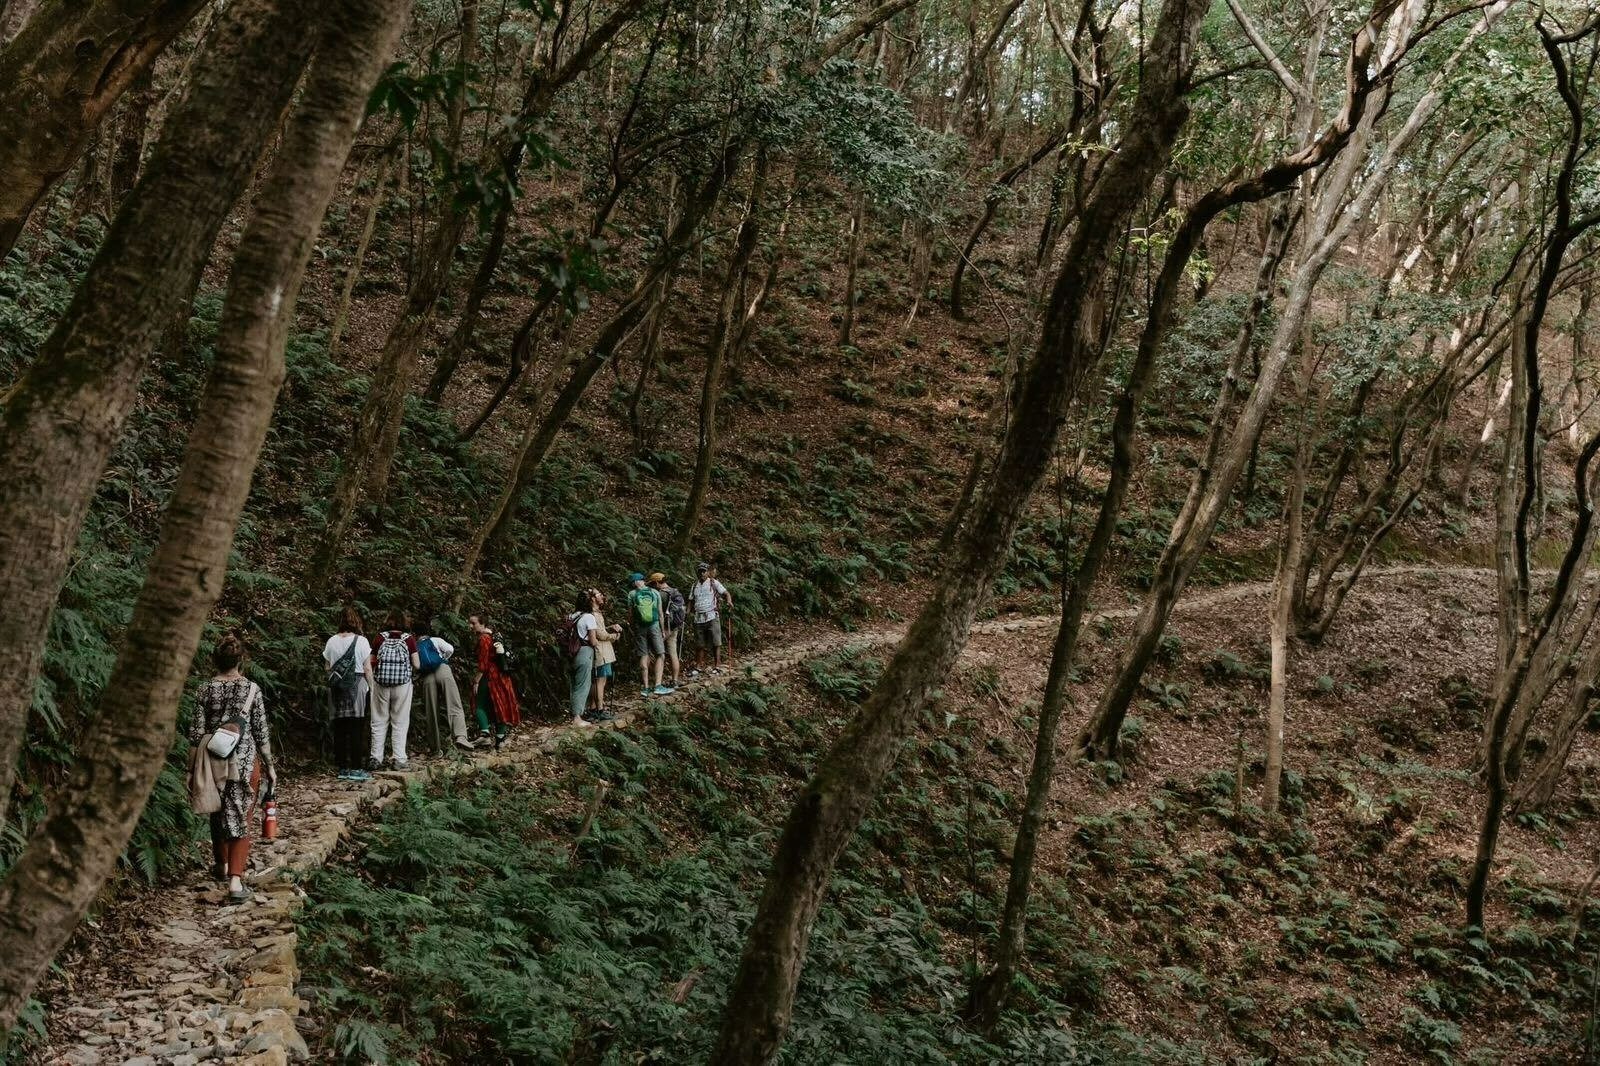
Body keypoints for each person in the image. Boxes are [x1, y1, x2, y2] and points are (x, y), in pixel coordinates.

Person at [188, 633, 275, 903]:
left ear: (215, 660)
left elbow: (195, 733)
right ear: (241, 661)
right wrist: (270, 765)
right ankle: (236, 883)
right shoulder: (252, 689)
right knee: (241, 816)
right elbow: (261, 732)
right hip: (244, 760)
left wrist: (191, 770)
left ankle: (222, 865)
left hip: (212, 759)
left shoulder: (204, 690)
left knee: (217, 810)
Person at [414, 618, 487, 753]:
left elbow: (414, 664)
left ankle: (435, 749)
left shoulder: (414, 645)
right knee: (454, 702)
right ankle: (460, 736)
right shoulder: (435, 640)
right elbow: (450, 649)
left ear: (415, 634)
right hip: (442, 669)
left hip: (427, 676)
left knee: (431, 710)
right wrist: (443, 659)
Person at [322, 606, 373, 782]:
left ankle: (343, 768)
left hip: (336, 687)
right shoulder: (362, 641)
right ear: (356, 622)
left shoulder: (331, 641)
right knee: (356, 727)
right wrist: (371, 687)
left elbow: (327, 668)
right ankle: (357, 768)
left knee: (340, 728)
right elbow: (367, 667)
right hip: (357, 685)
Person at [370, 613, 419, 771]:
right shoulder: (409, 639)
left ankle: (376, 758)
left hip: (381, 684)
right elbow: (417, 664)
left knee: (378, 721)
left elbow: (371, 661)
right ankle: (399, 759)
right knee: (400, 722)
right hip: (402, 685)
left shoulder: (380, 638)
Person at [469, 613, 521, 746]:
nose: (470, 626)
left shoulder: (484, 639)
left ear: (482, 623)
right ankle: (500, 738)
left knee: (478, 704)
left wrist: (476, 680)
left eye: (473, 623)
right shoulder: (494, 636)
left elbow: (483, 664)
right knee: (500, 705)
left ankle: (485, 733)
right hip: (502, 677)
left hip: (491, 676)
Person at [628, 571, 672, 696]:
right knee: (660, 654)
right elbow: (660, 613)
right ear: (643, 580)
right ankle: (658, 685)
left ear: (633, 583)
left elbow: (630, 615)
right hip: (654, 625)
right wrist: (663, 630)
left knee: (643, 655)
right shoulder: (655, 592)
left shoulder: (631, 594)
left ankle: (645, 688)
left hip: (639, 627)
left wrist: (632, 627)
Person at [689, 561, 733, 675]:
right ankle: (698, 666)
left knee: (715, 642)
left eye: (704, 571)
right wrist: (687, 612)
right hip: (698, 617)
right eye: (700, 571)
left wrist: (729, 601)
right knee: (699, 643)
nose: (702, 573)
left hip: (712, 615)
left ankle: (717, 665)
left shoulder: (714, 583)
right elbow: (690, 600)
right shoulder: (694, 585)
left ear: (708, 572)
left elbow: (726, 593)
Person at [586, 588, 623, 721]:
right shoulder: (594, 614)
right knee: (600, 681)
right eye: (599, 595)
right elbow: (600, 635)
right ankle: (599, 709)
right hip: (601, 651)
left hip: (601, 651)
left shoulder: (593, 614)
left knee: (598, 681)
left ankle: (593, 708)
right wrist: (615, 636)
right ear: (592, 599)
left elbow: (599, 630)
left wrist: (609, 628)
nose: (602, 597)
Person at [563, 592, 598, 729]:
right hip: (584, 651)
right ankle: (577, 717)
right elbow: (593, 640)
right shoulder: (589, 617)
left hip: (570, 653)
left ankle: (574, 714)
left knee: (573, 684)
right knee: (582, 684)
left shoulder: (571, 616)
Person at [651, 572, 686, 688]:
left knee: (659, 653)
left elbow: (657, 612)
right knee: (673, 653)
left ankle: (657, 683)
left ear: (656, 582)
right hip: (674, 627)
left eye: (653, 583)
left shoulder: (660, 595)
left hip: (663, 628)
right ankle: (674, 680)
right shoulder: (674, 591)